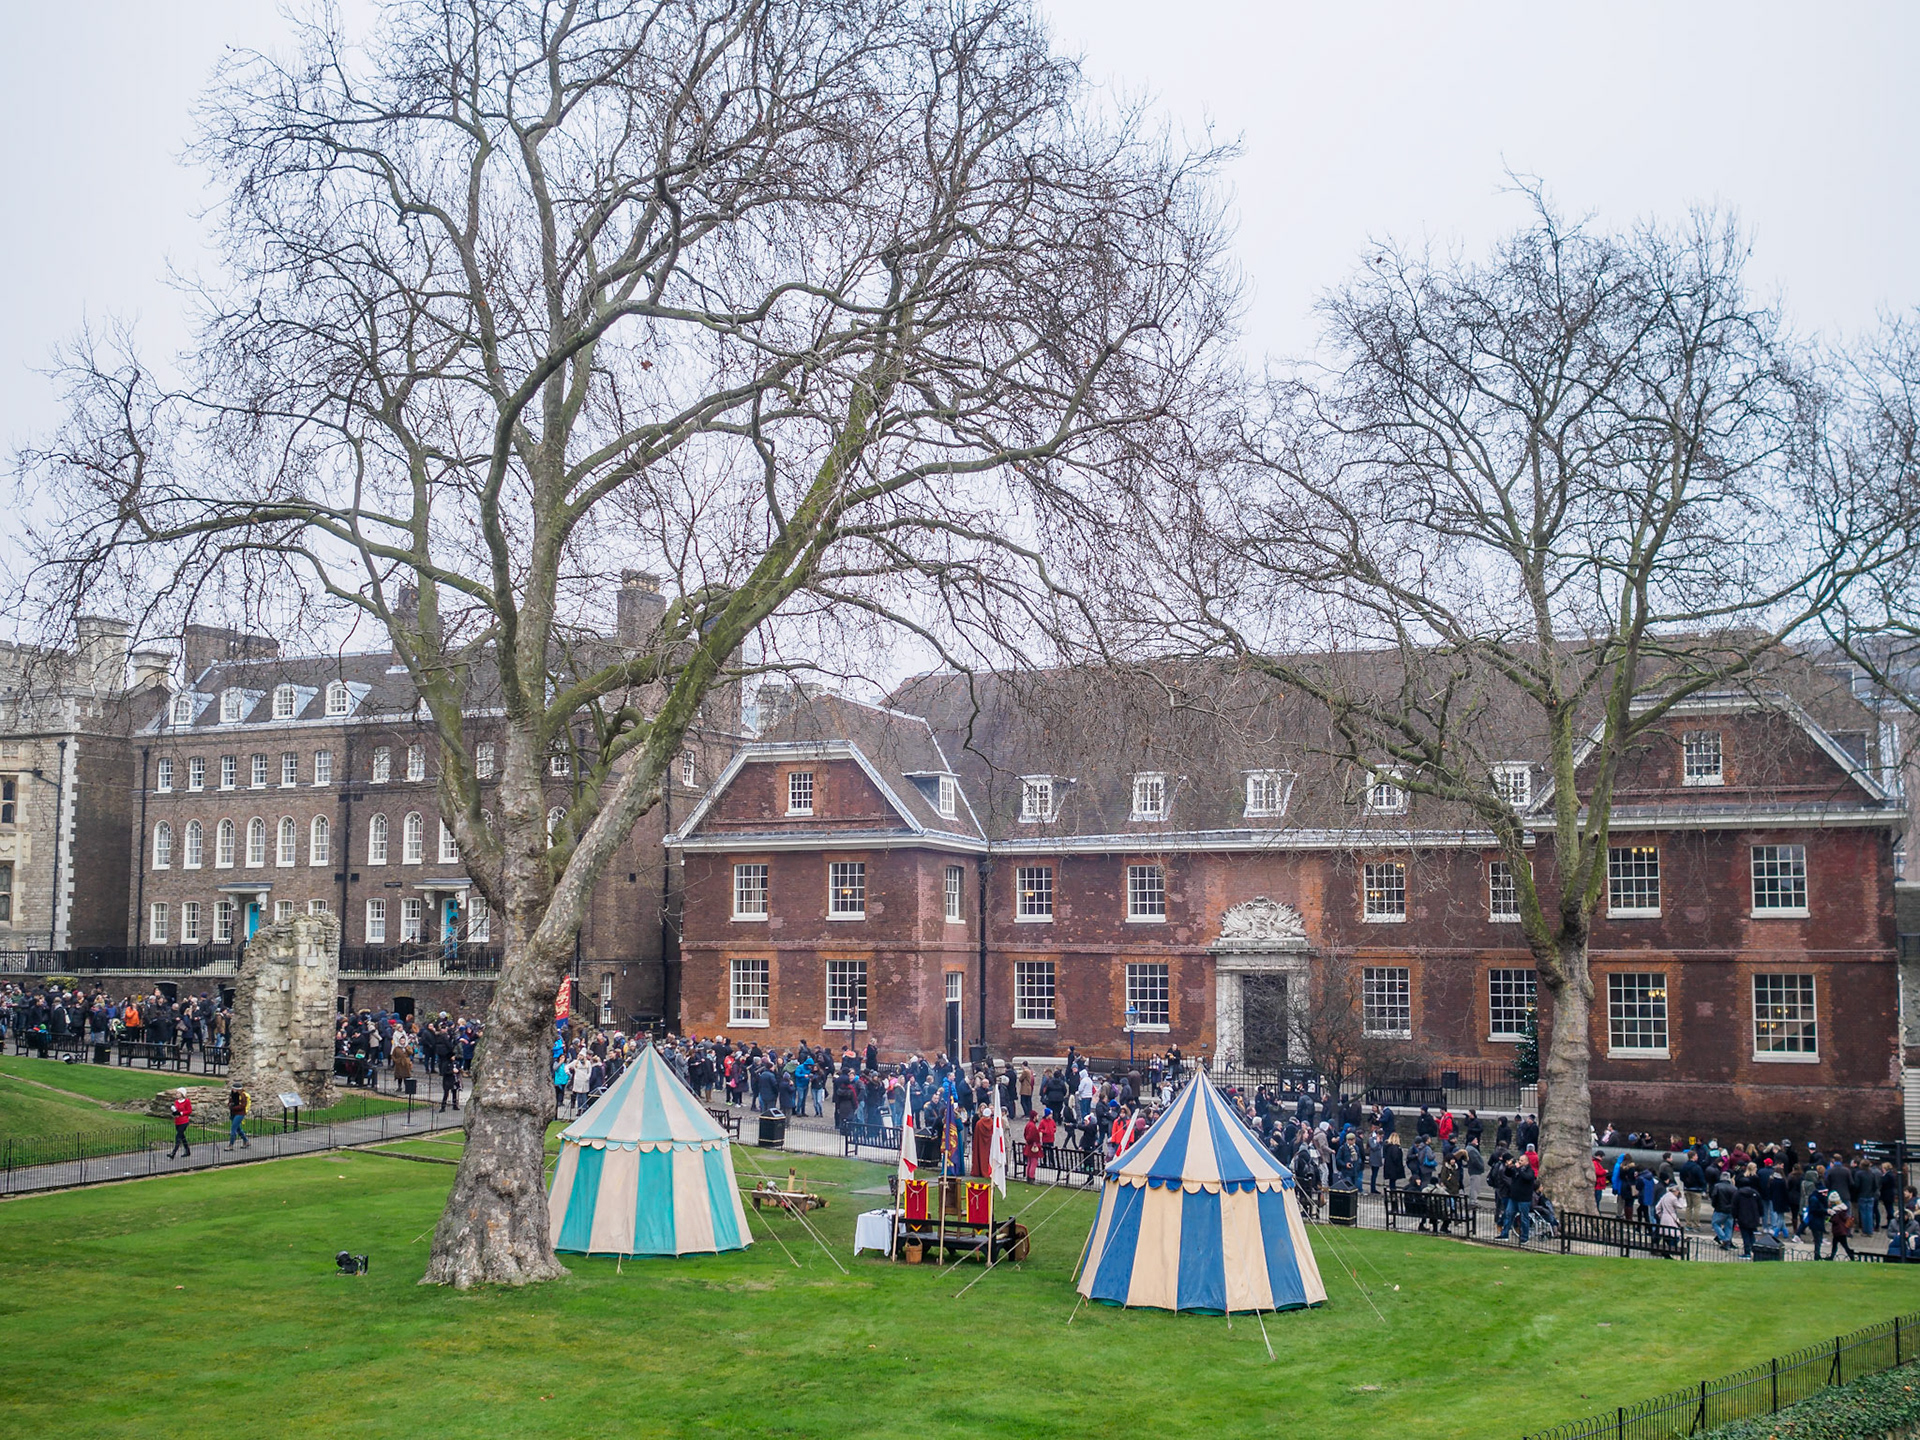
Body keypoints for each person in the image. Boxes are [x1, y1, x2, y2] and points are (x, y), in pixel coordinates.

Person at [168, 1091, 194, 1159]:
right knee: (182, 1136)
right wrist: (174, 1111)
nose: (177, 1094)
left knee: (178, 1137)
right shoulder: (176, 1102)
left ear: (182, 1094)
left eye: (178, 1093)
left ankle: (173, 1153)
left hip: (184, 1121)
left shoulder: (187, 1101)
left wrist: (181, 1113)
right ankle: (187, 1151)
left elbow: (189, 1111)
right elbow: (176, 1112)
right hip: (177, 1121)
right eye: (176, 1093)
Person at [226, 1083, 251, 1150]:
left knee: (233, 1129)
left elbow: (243, 1106)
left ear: (238, 1090)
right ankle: (246, 1141)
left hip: (240, 1113)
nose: (232, 1090)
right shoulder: (232, 1095)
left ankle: (231, 1145)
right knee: (238, 1129)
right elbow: (230, 1102)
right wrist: (229, 1105)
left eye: (234, 1089)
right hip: (233, 1113)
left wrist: (233, 1107)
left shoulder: (243, 1096)